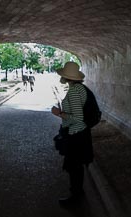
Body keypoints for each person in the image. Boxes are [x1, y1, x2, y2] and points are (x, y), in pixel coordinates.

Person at [51, 62, 93, 205]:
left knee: (74, 166)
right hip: (80, 133)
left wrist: (59, 113)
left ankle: (75, 197)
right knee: (76, 166)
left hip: (77, 134)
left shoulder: (75, 91)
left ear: (67, 77)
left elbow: (77, 118)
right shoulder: (80, 88)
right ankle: (78, 192)